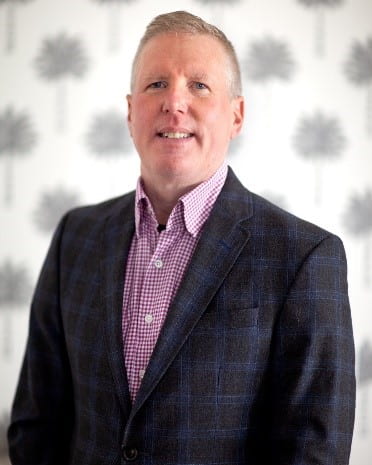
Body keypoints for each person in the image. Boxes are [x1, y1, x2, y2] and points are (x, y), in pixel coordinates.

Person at [8, 10, 355, 465]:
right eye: (156, 84)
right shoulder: (77, 236)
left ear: (236, 115)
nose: (174, 102)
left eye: (199, 85)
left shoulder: (306, 256)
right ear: (131, 112)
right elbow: (37, 423)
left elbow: (314, 451)